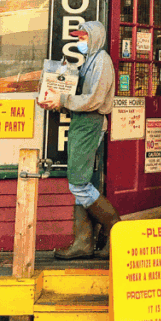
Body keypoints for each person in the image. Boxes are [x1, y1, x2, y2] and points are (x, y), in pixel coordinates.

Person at [42, 20, 119, 260]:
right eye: (78, 38)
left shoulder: (102, 62)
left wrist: (63, 100)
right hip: (81, 123)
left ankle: (116, 229)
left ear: (95, 38)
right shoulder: (89, 62)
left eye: (83, 38)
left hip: (90, 123)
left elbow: (94, 100)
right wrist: (54, 99)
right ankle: (83, 243)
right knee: (81, 184)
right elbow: (79, 97)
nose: (79, 42)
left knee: (78, 183)